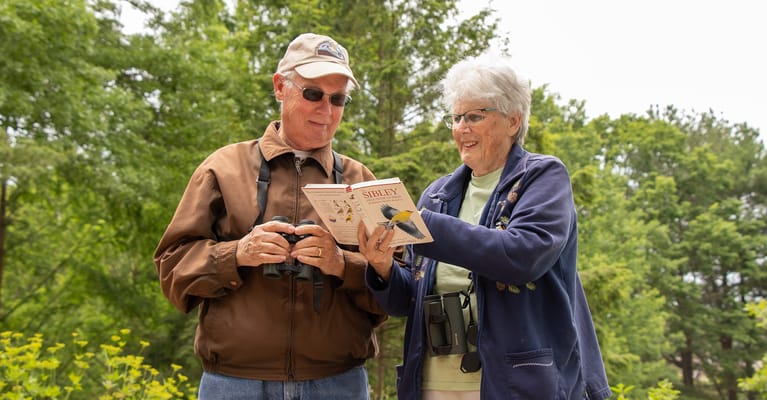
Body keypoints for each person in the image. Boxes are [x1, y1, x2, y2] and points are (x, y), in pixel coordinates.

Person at [358, 54, 612, 400]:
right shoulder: (437, 194)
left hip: (515, 386)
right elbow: (408, 303)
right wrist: (383, 267)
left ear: (513, 121)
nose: (461, 128)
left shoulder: (542, 177)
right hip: (434, 384)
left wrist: (424, 226)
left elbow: (521, 255)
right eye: (456, 117)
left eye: (475, 116)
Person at [154, 32, 387, 400]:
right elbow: (171, 270)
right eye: (313, 94)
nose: (326, 110)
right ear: (280, 87)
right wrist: (237, 254)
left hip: (338, 383)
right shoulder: (222, 169)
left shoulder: (362, 182)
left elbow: (399, 287)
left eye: (338, 99)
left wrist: (343, 264)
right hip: (232, 384)